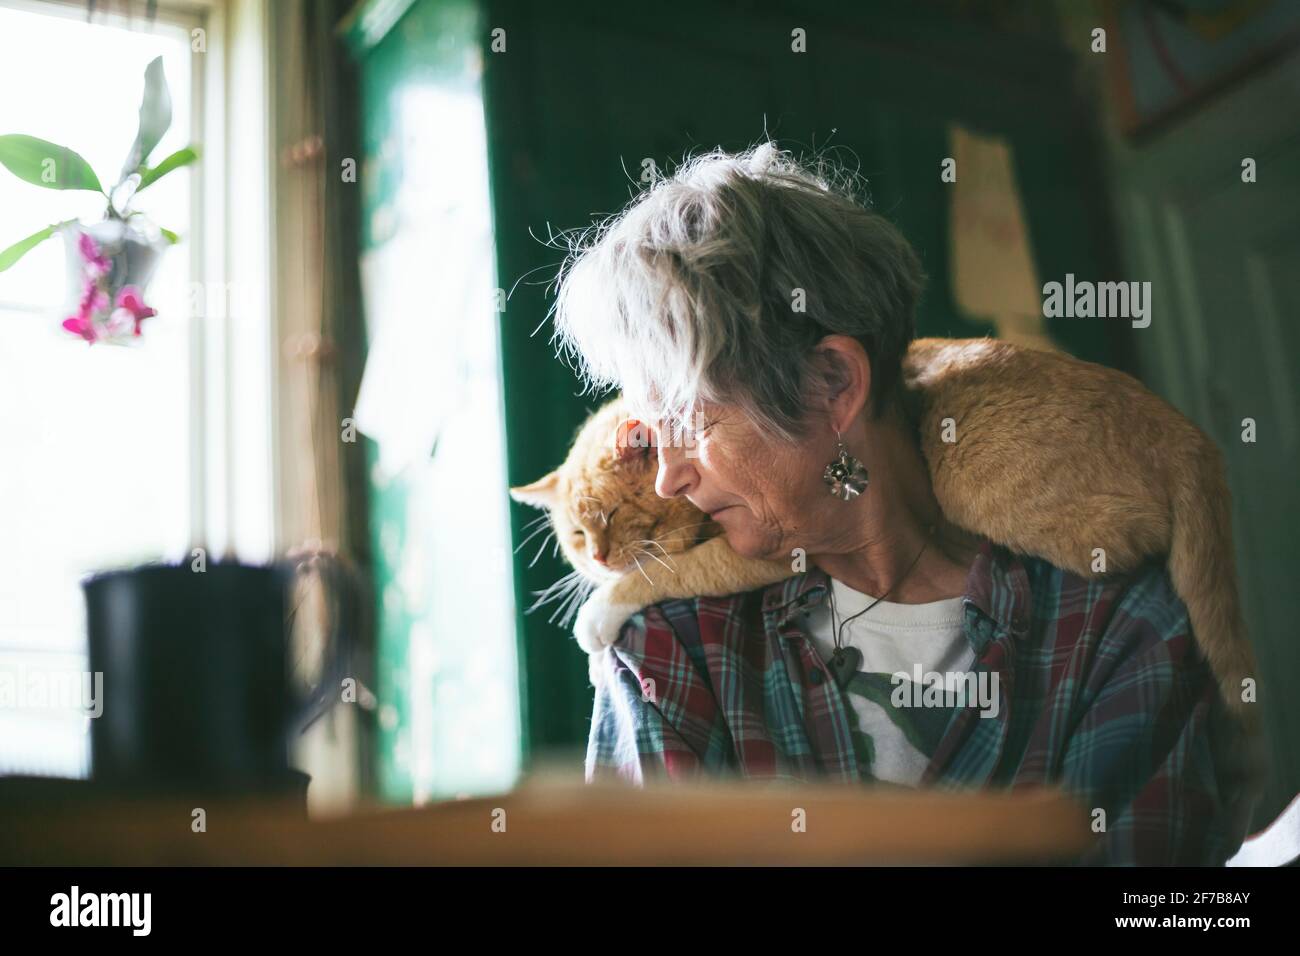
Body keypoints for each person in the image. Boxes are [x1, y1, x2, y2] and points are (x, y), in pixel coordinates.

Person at [550, 141, 1260, 864]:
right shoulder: (671, 646)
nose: (667, 480)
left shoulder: (1111, 624)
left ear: (832, 383)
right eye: (650, 428)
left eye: (691, 421)